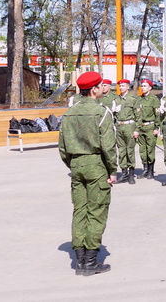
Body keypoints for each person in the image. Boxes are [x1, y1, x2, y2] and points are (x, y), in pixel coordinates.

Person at [58, 71, 117, 276]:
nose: (103, 88)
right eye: (101, 86)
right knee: (97, 212)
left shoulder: (69, 113)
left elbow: (63, 148)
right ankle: (91, 261)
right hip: (96, 165)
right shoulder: (102, 113)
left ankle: (80, 261)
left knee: (80, 211)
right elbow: (109, 147)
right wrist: (112, 171)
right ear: (93, 89)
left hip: (76, 165)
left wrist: (74, 164)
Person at [113, 79, 140, 184]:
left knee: (130, 151)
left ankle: (131, 174)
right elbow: (114, 115)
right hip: (119, 126)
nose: (121, 88)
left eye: (123, 86)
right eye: (120, 86)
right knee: (121, 151)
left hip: (129, 126)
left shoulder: (133, 99)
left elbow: (138, 115)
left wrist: (137, 129)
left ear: (128, 87)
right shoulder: (116, 100)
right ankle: (124, 173)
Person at [136, 79, 160, 180]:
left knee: (150, 150)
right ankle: (145, 169)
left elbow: (157, 114)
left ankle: (151, 170)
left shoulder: (154, 99)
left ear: (150, 88)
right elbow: (137, 114)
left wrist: (157, 127)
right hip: (141, 127)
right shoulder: (139, 99)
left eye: (145, 86)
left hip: (150, 127)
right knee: (142, 150)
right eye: (142, 86)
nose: (143, 87)